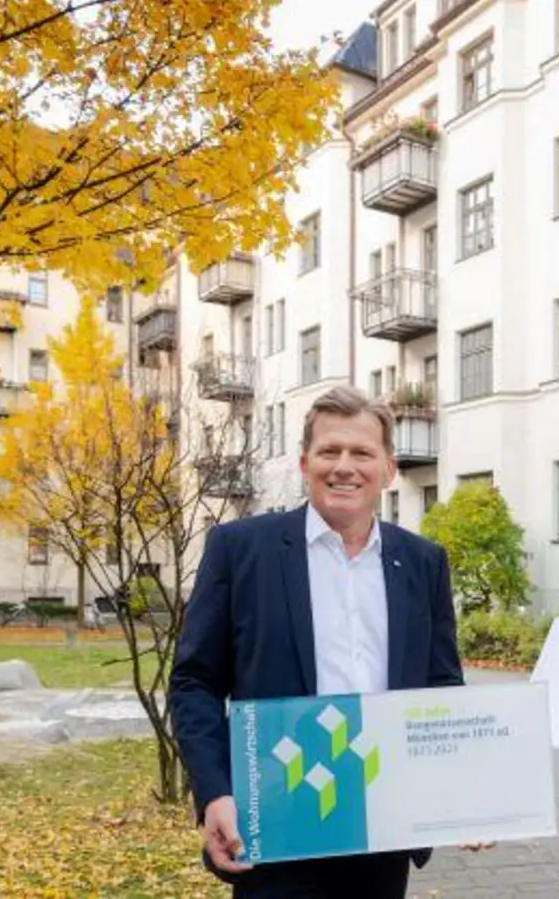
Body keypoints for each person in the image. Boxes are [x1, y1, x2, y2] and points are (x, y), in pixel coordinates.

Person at [169, 385, 466, 898]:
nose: (344, 467)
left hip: (383, 825)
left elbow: (441, 686)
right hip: (275, 823)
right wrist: (215, 792)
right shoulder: (240, 550)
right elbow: (195, 682)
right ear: (306, 463)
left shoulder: (422, 562)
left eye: (362, 453)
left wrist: (467, 799)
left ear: (388, 469)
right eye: (330, 451)